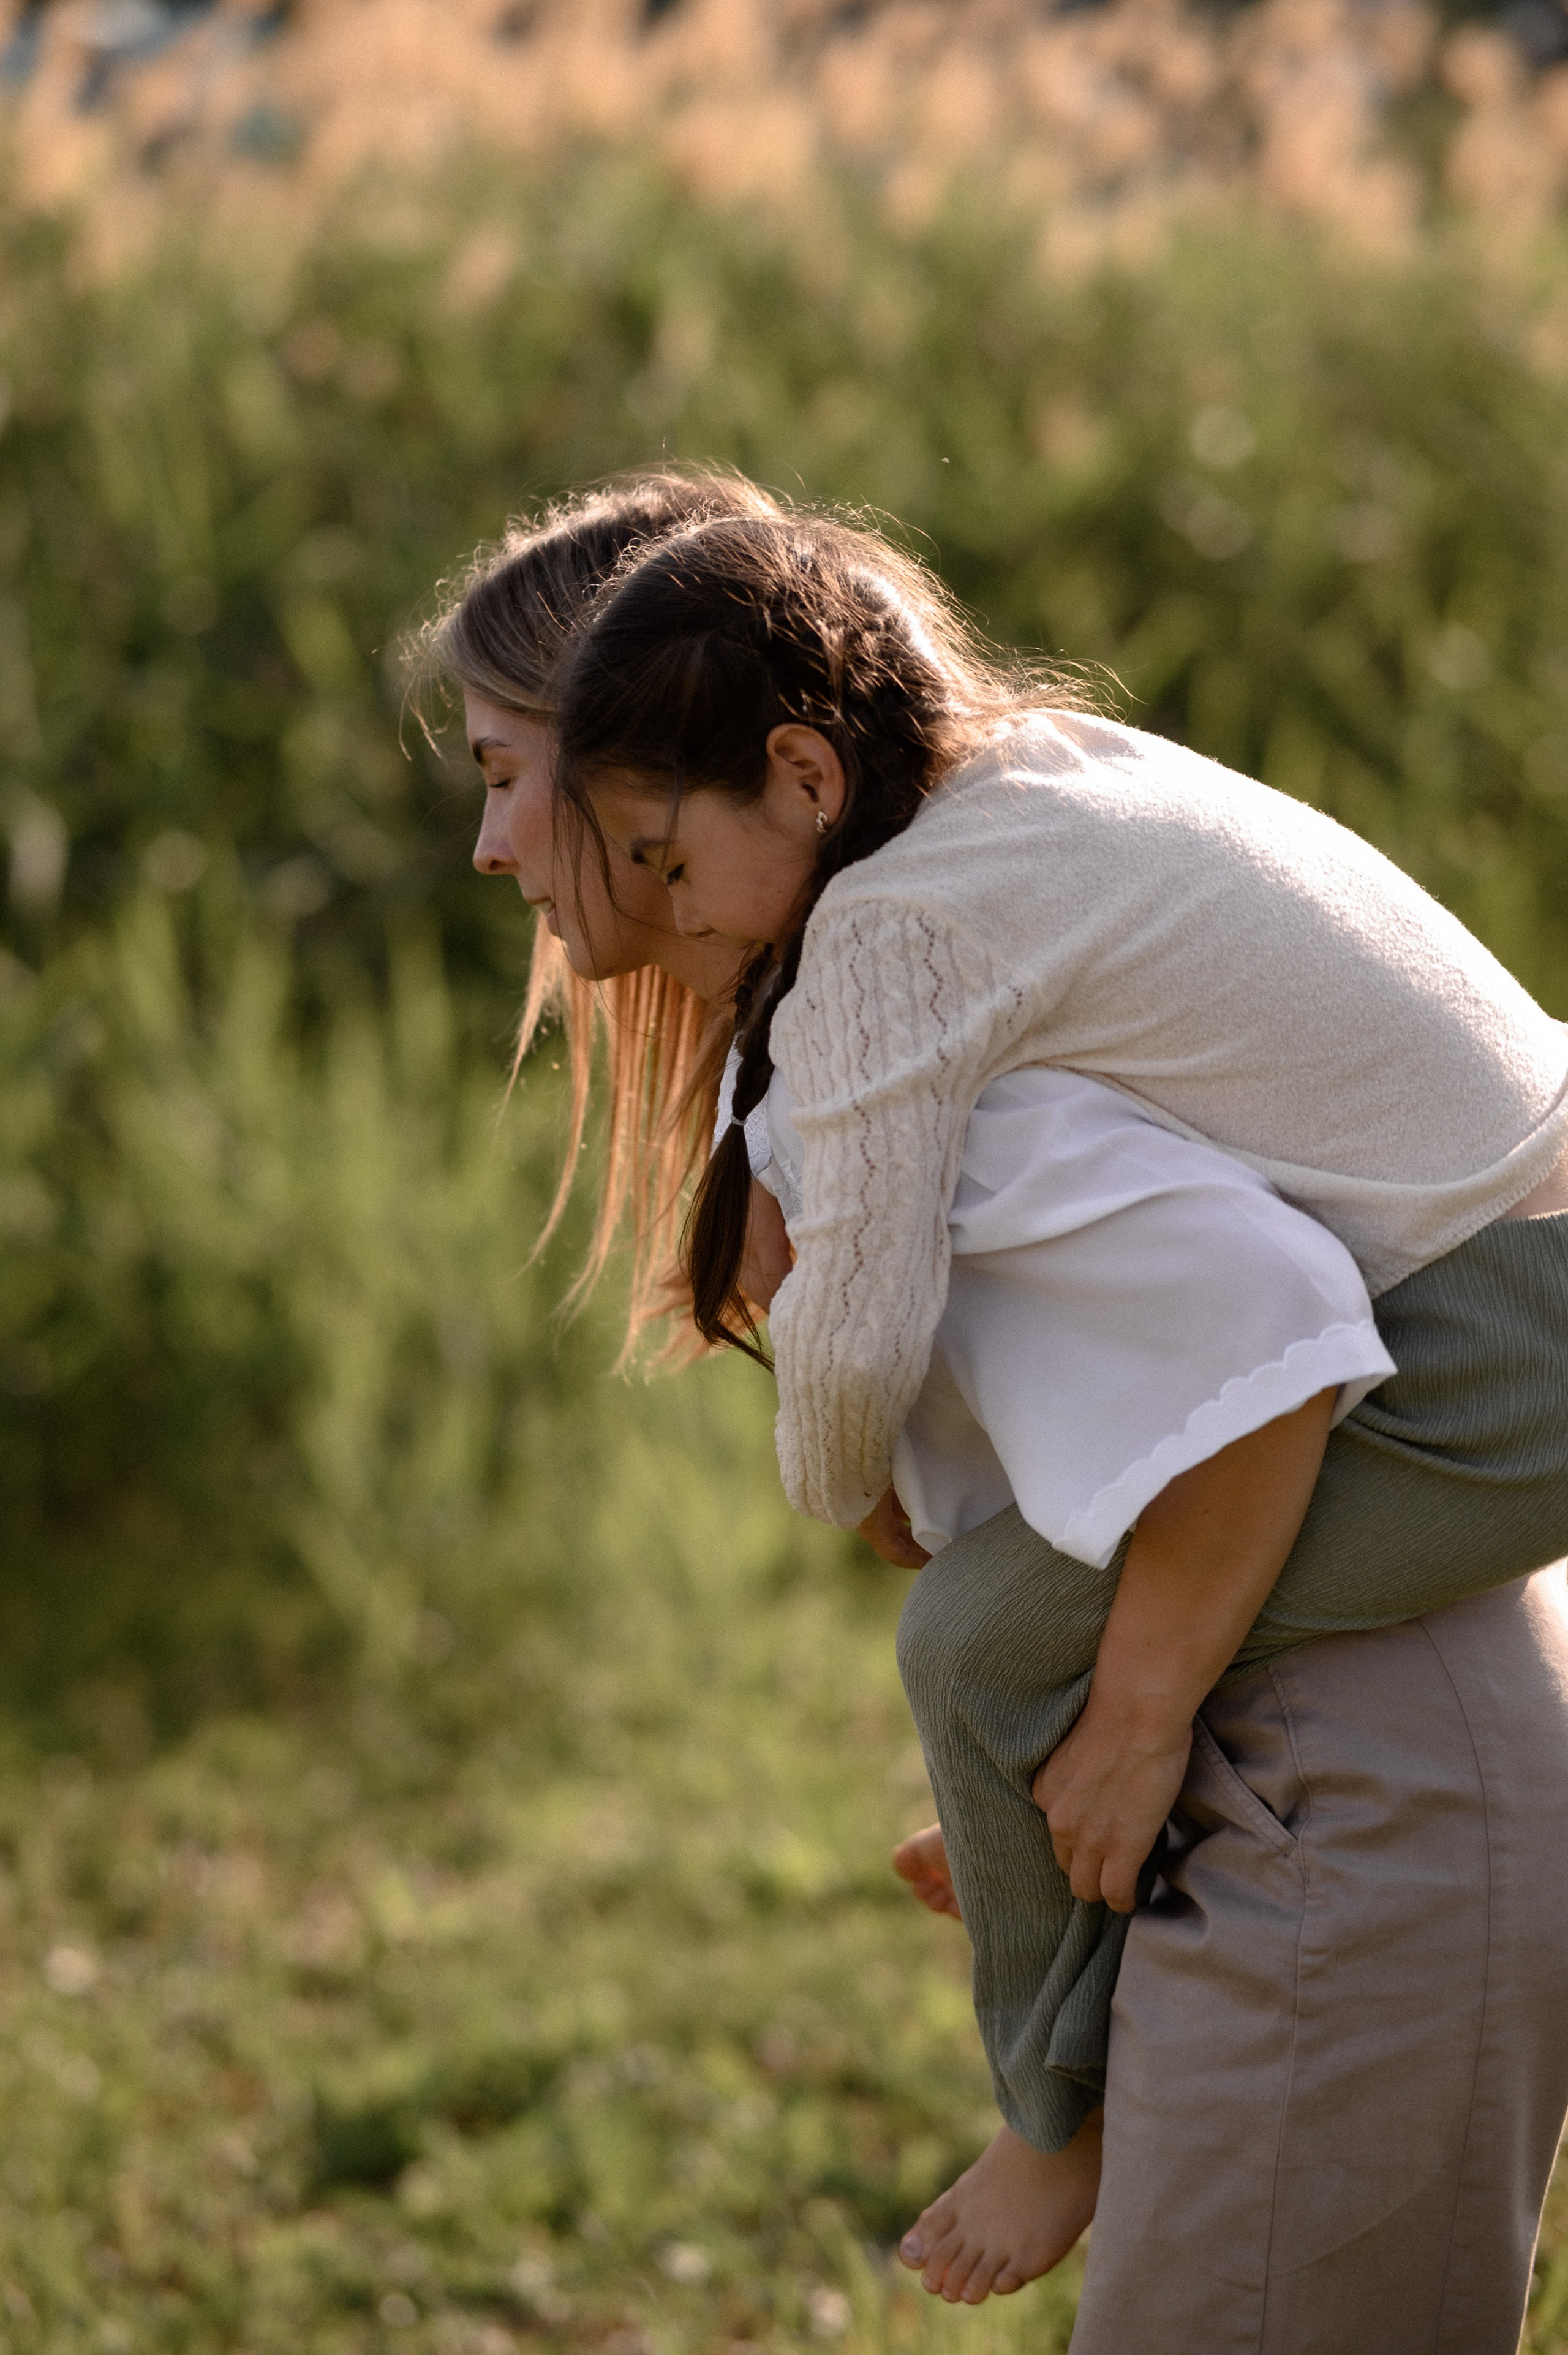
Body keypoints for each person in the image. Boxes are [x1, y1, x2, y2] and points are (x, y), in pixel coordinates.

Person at [546, 501, 1568, 2348]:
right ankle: (1046, 1888)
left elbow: (852, 1354)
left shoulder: (885, 928)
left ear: (798, 771)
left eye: (662, 858)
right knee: (1014, 1636)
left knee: (969, 1627)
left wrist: (832, 1484)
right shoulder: (1046, 773)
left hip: (1511, 1334)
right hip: (1520, 1277)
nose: (666, 911)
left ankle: (1050, 2111)